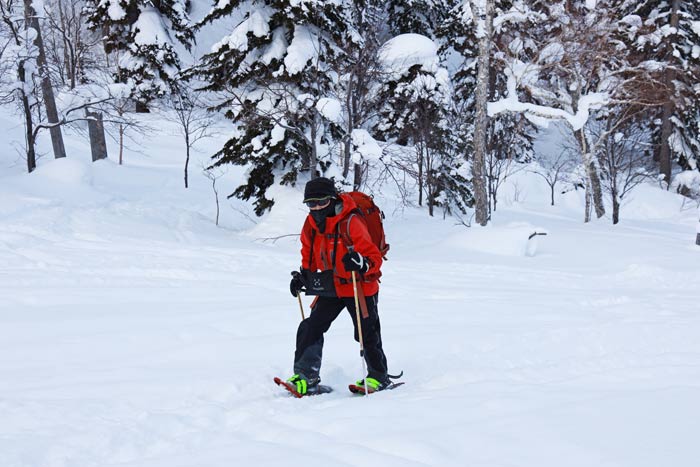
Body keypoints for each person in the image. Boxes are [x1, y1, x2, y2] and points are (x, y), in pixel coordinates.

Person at [287, 177, 391, 395]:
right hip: (330, 286)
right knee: (311, 326)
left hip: (359, 286)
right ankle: (306, 377)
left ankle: (378, 377)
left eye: (321, 202)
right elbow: (309, 254)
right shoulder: (311, 224)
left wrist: (362, 263)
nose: (316, 208)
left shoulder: (351, 221)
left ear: (332, 199)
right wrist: (303, 277)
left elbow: (373, 257)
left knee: (366, 332)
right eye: (311, 204)